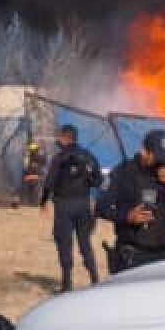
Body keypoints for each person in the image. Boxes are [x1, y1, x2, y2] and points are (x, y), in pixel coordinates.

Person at [102, 128, 165, 273]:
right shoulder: (124, 173)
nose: (162, 161)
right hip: (134, 257)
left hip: (164, 255)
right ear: (145, 152)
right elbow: (101, 207)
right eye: (158, 156)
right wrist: (127, 216)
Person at [39, 123, 103, 290]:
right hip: (83, 205)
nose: (58, 140)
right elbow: (99, 181)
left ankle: (67, 283)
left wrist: (43, 201)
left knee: (64, 243)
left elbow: (49, 183)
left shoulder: (59, 158)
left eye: (60, 137)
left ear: (66, 138)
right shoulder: (88, 156)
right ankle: (95, 279)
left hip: (64, 206)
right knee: (85, 243)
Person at [18, 137, 47, 208]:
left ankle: (32, 202)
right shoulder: (32, 158)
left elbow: (25, 169)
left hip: (33, 177)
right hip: (33, 177)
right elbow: (25, 169)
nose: (33, 152)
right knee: (33, 190)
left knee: (32, 190)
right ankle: (32, 202)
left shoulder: (29, 158)